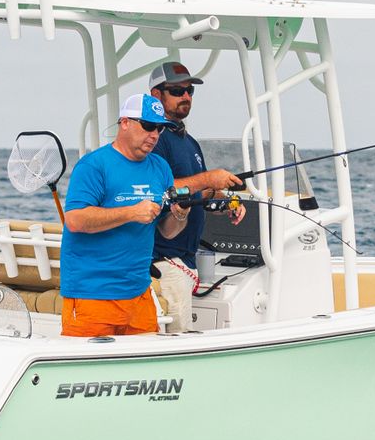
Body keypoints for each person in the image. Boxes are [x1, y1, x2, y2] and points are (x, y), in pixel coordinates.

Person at [58, 92, 185, 337]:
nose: (154, 135)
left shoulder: (160, 167)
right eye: (148, 125)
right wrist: (131, 212)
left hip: (139, 294)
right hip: (92, 295)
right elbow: (75, 220)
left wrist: (180, 214)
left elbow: (168, 232)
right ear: (125, 122)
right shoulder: (94, 165)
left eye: (160, 128)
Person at [142, 60, 244, 270]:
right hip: (161, 261)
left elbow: (201, 192)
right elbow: (159, 189)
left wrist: (229, 202)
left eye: (190, 90)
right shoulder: (153, 139)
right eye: (178, 91)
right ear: (156, 95)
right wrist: (208, 178)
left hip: (187, 261)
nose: (186, 97)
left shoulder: (191, 143)